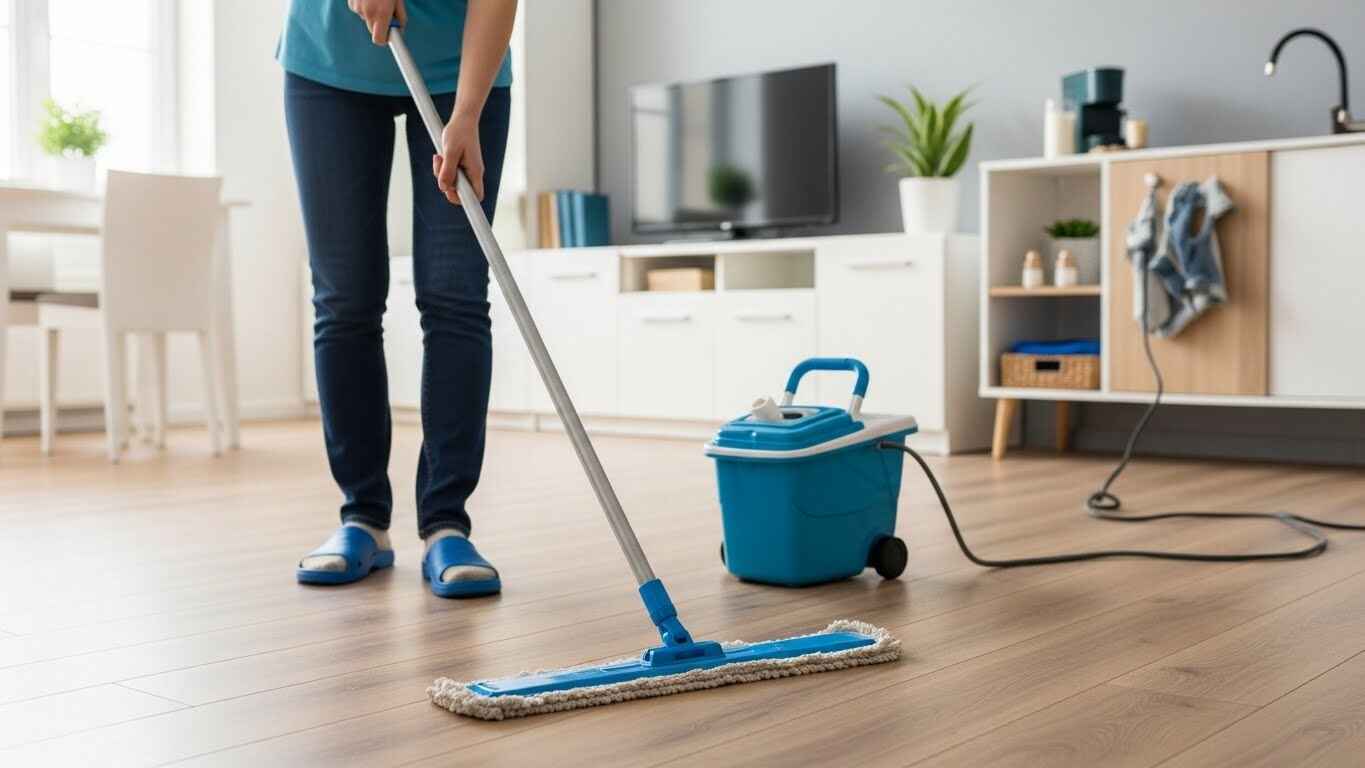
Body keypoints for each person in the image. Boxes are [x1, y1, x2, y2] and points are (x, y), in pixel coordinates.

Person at [278, 0, 517, 598]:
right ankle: (362, 516)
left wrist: (467, 114)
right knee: (345, 297)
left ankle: (446, 524)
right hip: (329, 62)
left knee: (456, 294)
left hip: (458, 70)